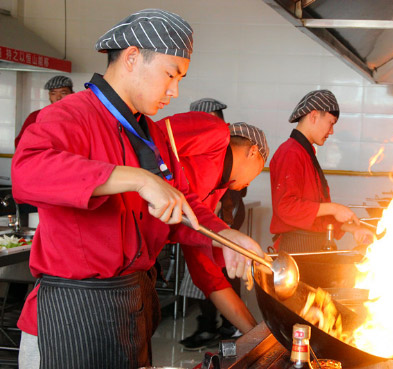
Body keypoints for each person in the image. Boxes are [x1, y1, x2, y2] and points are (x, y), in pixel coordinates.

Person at [11, 9, 263, 369]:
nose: (174, 91)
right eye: (170, 75)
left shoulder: (151, 134)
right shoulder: (71, 115)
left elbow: (177, 206)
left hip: (131, 306)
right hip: (72, 313)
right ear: (132, 58)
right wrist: (139, 178)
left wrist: (224, 236)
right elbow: (27, 171)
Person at [157, 111, 267, 349]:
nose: (250, 182)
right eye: (260, 170)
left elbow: (210, 277)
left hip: (138, 268)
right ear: (253, 151)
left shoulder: (209, 199)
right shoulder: (216, 133)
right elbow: (147, 141)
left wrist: (258, 337)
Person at [270, 89, 373, 252]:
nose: (331, 131)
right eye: (331, 123)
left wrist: (355, 229)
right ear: (314, 116)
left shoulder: (305, 152)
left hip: (313, 246)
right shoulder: (291, 152)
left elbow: (317, 215)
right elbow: (286, 207)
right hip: (297, 249)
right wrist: (334, 208)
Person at [14, 75, 74, 148]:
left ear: (73, 94)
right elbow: (20, 142)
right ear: (49, 96)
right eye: (53, 93)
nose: (58, 97)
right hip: (42, 158)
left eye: (63, 93)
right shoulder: (35, 116)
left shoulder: (79, 116)